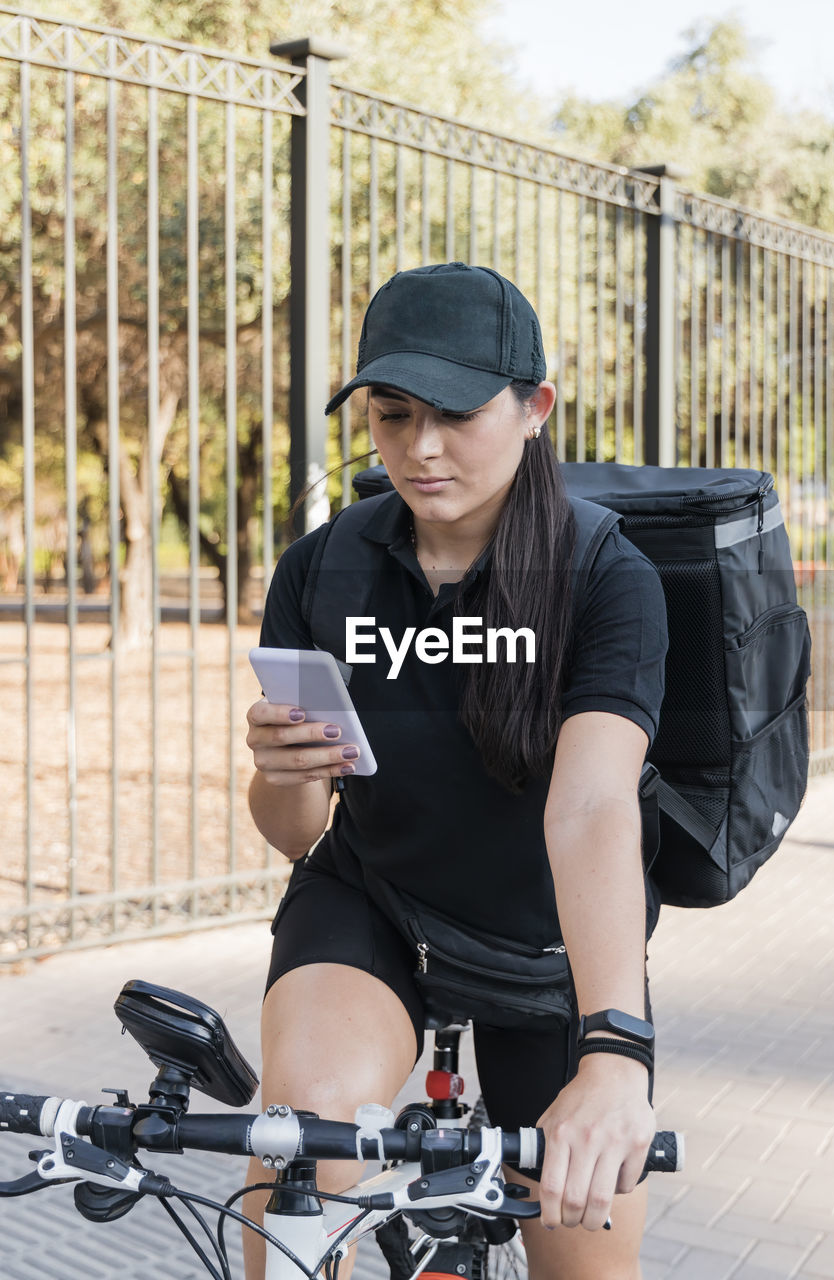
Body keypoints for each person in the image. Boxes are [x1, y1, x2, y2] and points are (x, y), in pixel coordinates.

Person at [243, 261, 668, 1280]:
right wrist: (279, 766)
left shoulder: (607, 577)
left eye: (457, 414)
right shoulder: (320, 568)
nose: (419, 448)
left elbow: (595, 804)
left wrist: (615, 1051)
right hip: (375, 902)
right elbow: (299, 830)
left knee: (587, 1255)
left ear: (535, 409)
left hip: (548, 940)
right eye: (392, 416)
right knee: (301, 1138)